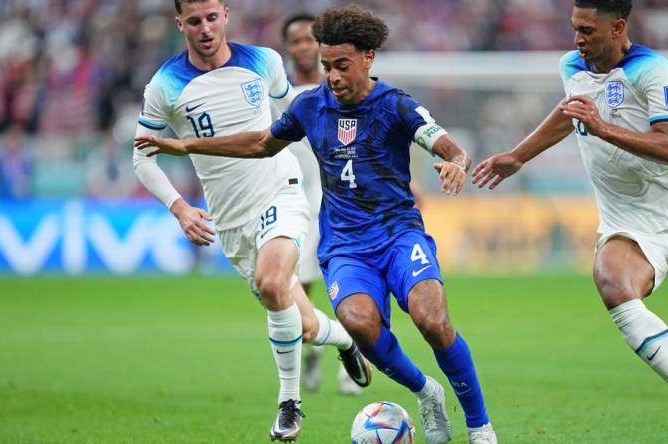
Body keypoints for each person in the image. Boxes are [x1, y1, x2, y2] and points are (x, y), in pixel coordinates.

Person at [135, 5, 498, 444]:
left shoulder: (396, 105)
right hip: (344, 244)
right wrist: (185, 145)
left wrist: (454, 164)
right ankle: (427, 393)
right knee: (360, 325)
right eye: (327, 67)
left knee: (431, 318)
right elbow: (260, 144)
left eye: (341, 66)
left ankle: (480, 427)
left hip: (399, 232)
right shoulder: (311, 107)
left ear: (368, 58)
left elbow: (447, 146)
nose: (333, 77)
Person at [471, 1, 668, 443]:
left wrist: (603, 129)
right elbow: (571, 111)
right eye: (574, 28)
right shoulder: (571, 65)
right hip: (627, 222)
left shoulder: (653, 71)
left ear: (617, 27)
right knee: (614, 285)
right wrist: (518, 156)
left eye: (587, 31)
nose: (577, 39)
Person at [131, 1, 370, 441]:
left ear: (225, 14)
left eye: (212, 17)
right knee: (305, 322)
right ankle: (344, 341)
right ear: (179, 22)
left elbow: (291, 124)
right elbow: (141, 157)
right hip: (230, 219)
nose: (205, 29)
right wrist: (179, 207)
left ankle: (289, 404)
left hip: (282, 191)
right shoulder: (165, 85)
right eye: (195, 21)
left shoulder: (264, 62)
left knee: (274, 282)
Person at [279, 12, 362, 397]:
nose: (303, 47)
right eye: (295, 41)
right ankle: (316, 345)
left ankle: (351, 358)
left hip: (340, 196)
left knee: (347, 277)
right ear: (288, 48)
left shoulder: (342, 89)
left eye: (309, 39)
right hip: (297, 198)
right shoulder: (280, 94)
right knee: (302, 285)